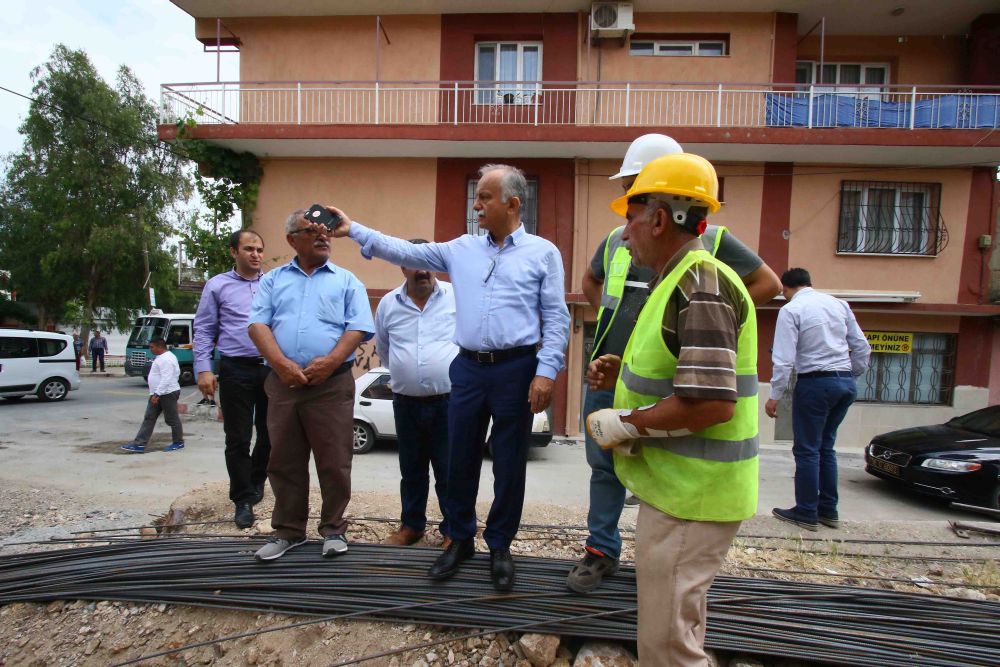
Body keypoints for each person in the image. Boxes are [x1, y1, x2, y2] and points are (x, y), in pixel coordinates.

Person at [328, 163, 570, 591]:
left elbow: (556, 317)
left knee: (510, 463)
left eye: (485, 198)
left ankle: (499, 546)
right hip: (469, 368)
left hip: (517, 369)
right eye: (476, 196)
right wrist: (355, 230)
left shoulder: (543, 253)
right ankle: (459, 540)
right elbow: (405, 251)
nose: (476, 205)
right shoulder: (461, 249)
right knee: (459, 460)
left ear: (513, 204)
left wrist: (546, 372)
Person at [569, 133, 780, 594]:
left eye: (636, 191)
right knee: (606, 467)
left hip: (678, 389)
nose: (628, 214)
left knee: (660, 467)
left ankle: (663, 556)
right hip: (621, 373)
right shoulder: (616, 239)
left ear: (664, 211)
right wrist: (619, 338)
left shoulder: (710, 253)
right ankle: (605, 549)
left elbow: (765, 284)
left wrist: (704, 339)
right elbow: (592, 282)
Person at [585, 153, 759, 667]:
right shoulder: (679, 278)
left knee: (665, 648)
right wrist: (623, 374)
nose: (624, 233)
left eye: (630, 218)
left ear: (659, 219)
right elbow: (685, 372)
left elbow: (709, 404)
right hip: (682, 493)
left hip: (694, 497)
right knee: (677, 627)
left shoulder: (699, 283)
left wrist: (625, 423)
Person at [247, 209, 375, 561]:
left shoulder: (346, 280)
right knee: (283, 460)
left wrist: (332, 361)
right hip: (283, 384)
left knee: (334, 460)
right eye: (313, 230)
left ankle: (333, 529)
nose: (323, 236)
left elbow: (359, 327)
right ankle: (289, 532)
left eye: (327, 231)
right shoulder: (272, 280)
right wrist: (281, 364)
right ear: (292, 239)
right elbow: (258, 325)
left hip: (331, 385)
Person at [765, 268, 871, 531]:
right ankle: (828, 510)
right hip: (844, 381)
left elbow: (783, 359)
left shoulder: (791, 310)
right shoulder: (839, 304)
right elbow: (861, 346)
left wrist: (774, 395)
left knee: (807, 450)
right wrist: (850, 374)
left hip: (814, 383)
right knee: (826, 448)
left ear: (785, 289)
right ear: (809, 283)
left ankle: (806, 512)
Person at [374, 239, 457, 546]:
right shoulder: (388, 304)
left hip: (449, 402)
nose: (423, 270)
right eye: (415, 263)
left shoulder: (456, 296)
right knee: (411, 470)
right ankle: (412, 527)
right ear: (403, 266)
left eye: (428, 263)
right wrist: (408, 371)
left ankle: (453, 530)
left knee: (450, 471)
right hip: (405, 404)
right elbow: (384, 349)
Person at [193, 229, 272, 530]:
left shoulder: (274, 284)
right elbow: (203, 329)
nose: (255, 254)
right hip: (235, 369)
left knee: (270, 434)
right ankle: (242, 499)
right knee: (237, 437)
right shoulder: (217, 286)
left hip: (270, 368)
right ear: (233, 252)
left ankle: (256, 481)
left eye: (260, 249)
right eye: (249, 249)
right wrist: (203, 368)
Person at [121, 337, 184, 454]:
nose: (150, 349)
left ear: (160, 347)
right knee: (149, 418)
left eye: (152, 347)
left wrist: (157, 394)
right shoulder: (161, 358)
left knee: (171, 419)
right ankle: (139, 444)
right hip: (158, 393)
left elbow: (167, 378)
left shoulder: (167, 359)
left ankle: (178, 442)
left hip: (167, 393)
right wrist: (155, 394)